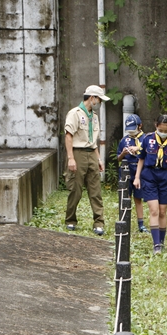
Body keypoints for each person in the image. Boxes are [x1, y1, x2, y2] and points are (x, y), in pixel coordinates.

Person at [63, 85, 110, 235]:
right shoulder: (74, 114)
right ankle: (70, 220)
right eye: (99, 99)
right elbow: (68, 136)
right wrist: (71, 158)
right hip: (78, 153)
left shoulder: (94, 117)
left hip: (91, 153)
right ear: (92, 98)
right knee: (75, 189)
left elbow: (93, 140)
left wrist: (99, 159)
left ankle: (99, 222)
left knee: (95, 189)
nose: (100, 103)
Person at [133, 115, 167, 254]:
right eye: (160, 129)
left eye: (166, 130)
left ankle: (161, 241)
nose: (163, 132)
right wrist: (137, 177)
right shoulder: (148, 139)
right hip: (149, 176)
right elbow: (141, 159)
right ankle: (156, 245)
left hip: (165, 177)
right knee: (154, 209)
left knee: (162, 211)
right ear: (156, 125)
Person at [117, 114, 148, 233]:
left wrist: (137, 149)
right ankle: (124, 220)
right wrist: (124, 153)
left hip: (139, 170)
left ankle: (141, 224)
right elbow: (118, 158)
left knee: (138, 198)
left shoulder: (145, 139)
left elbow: (148, 154)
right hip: (126, 169)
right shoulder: (124, 140)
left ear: (140, 126)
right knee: (125, 196)